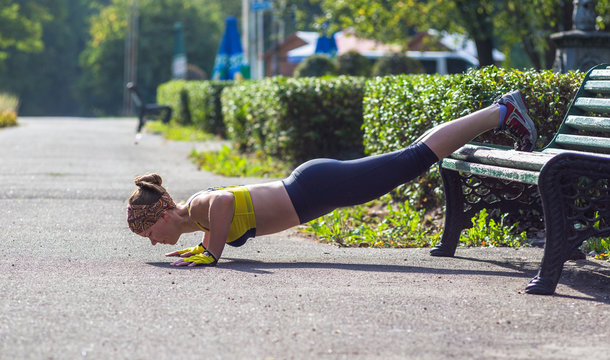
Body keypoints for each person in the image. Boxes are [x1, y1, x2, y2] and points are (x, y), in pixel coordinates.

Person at [127, 90, 537, 267]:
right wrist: (206, 245)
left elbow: (225, 202)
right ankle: (500, 113)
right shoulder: (197, 221)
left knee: (413, 159)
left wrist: (212, 252)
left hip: (316, 187)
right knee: (410, 156)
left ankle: (502, 112)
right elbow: (222, 215)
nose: (151, 240)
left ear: (163, 212)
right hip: (315, 188)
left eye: (147, 231)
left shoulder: (199, 206)